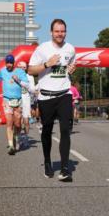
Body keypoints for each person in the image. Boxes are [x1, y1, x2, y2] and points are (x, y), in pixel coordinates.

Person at [27, 19, 77, 181]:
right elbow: (30, 69)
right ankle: (48, 162)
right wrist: (47, 63)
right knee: (47, 131)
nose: (60, 34)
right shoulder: (42, 49)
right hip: (46, 96)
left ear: (66, 32)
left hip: (64, 94)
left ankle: (64, 169)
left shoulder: (70, 49)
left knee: (65, 130)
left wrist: (71, 69)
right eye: (57, 31)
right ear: (51, 32)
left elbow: (70, 66)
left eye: (62, 31)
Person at [0, 54, 30, 155]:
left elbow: (27, 85)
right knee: (9, 122)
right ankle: (11, 145)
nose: (9, 65)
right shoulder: (2, 71)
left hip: (18, 101)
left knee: (18, 124)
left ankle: (16, 137)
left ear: (14, 63)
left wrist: (18, 80)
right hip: (7, 101)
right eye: (7, 63)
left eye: (10, 63)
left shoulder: (20, 71)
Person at [17, 61, 36, 147]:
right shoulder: (13, 75)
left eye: (24, 67)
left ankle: (26, 138)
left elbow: (32, 89)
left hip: (26, 99)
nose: (22, 69)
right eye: (21, 67)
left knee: (26, 121)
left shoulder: (30, 77)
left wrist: (25, 85)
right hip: (16, 99)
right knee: (17, 121)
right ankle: (18, 138)